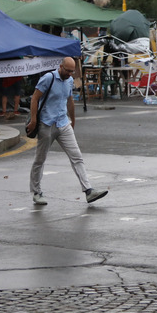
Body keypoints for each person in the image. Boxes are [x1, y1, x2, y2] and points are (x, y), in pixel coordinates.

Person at [26, 57, 108, 205]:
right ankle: (36, 192)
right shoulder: (48, 78)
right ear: (60, 67)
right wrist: (33, 120)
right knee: (40, 159)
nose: (69, 74)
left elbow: (70, 100)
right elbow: (35, 99)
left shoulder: (69, 81)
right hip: (46, 124)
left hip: (63, 123)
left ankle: (89, 190)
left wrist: (73, 121)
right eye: (67, 70)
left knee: (77, 156)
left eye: (72, 71)